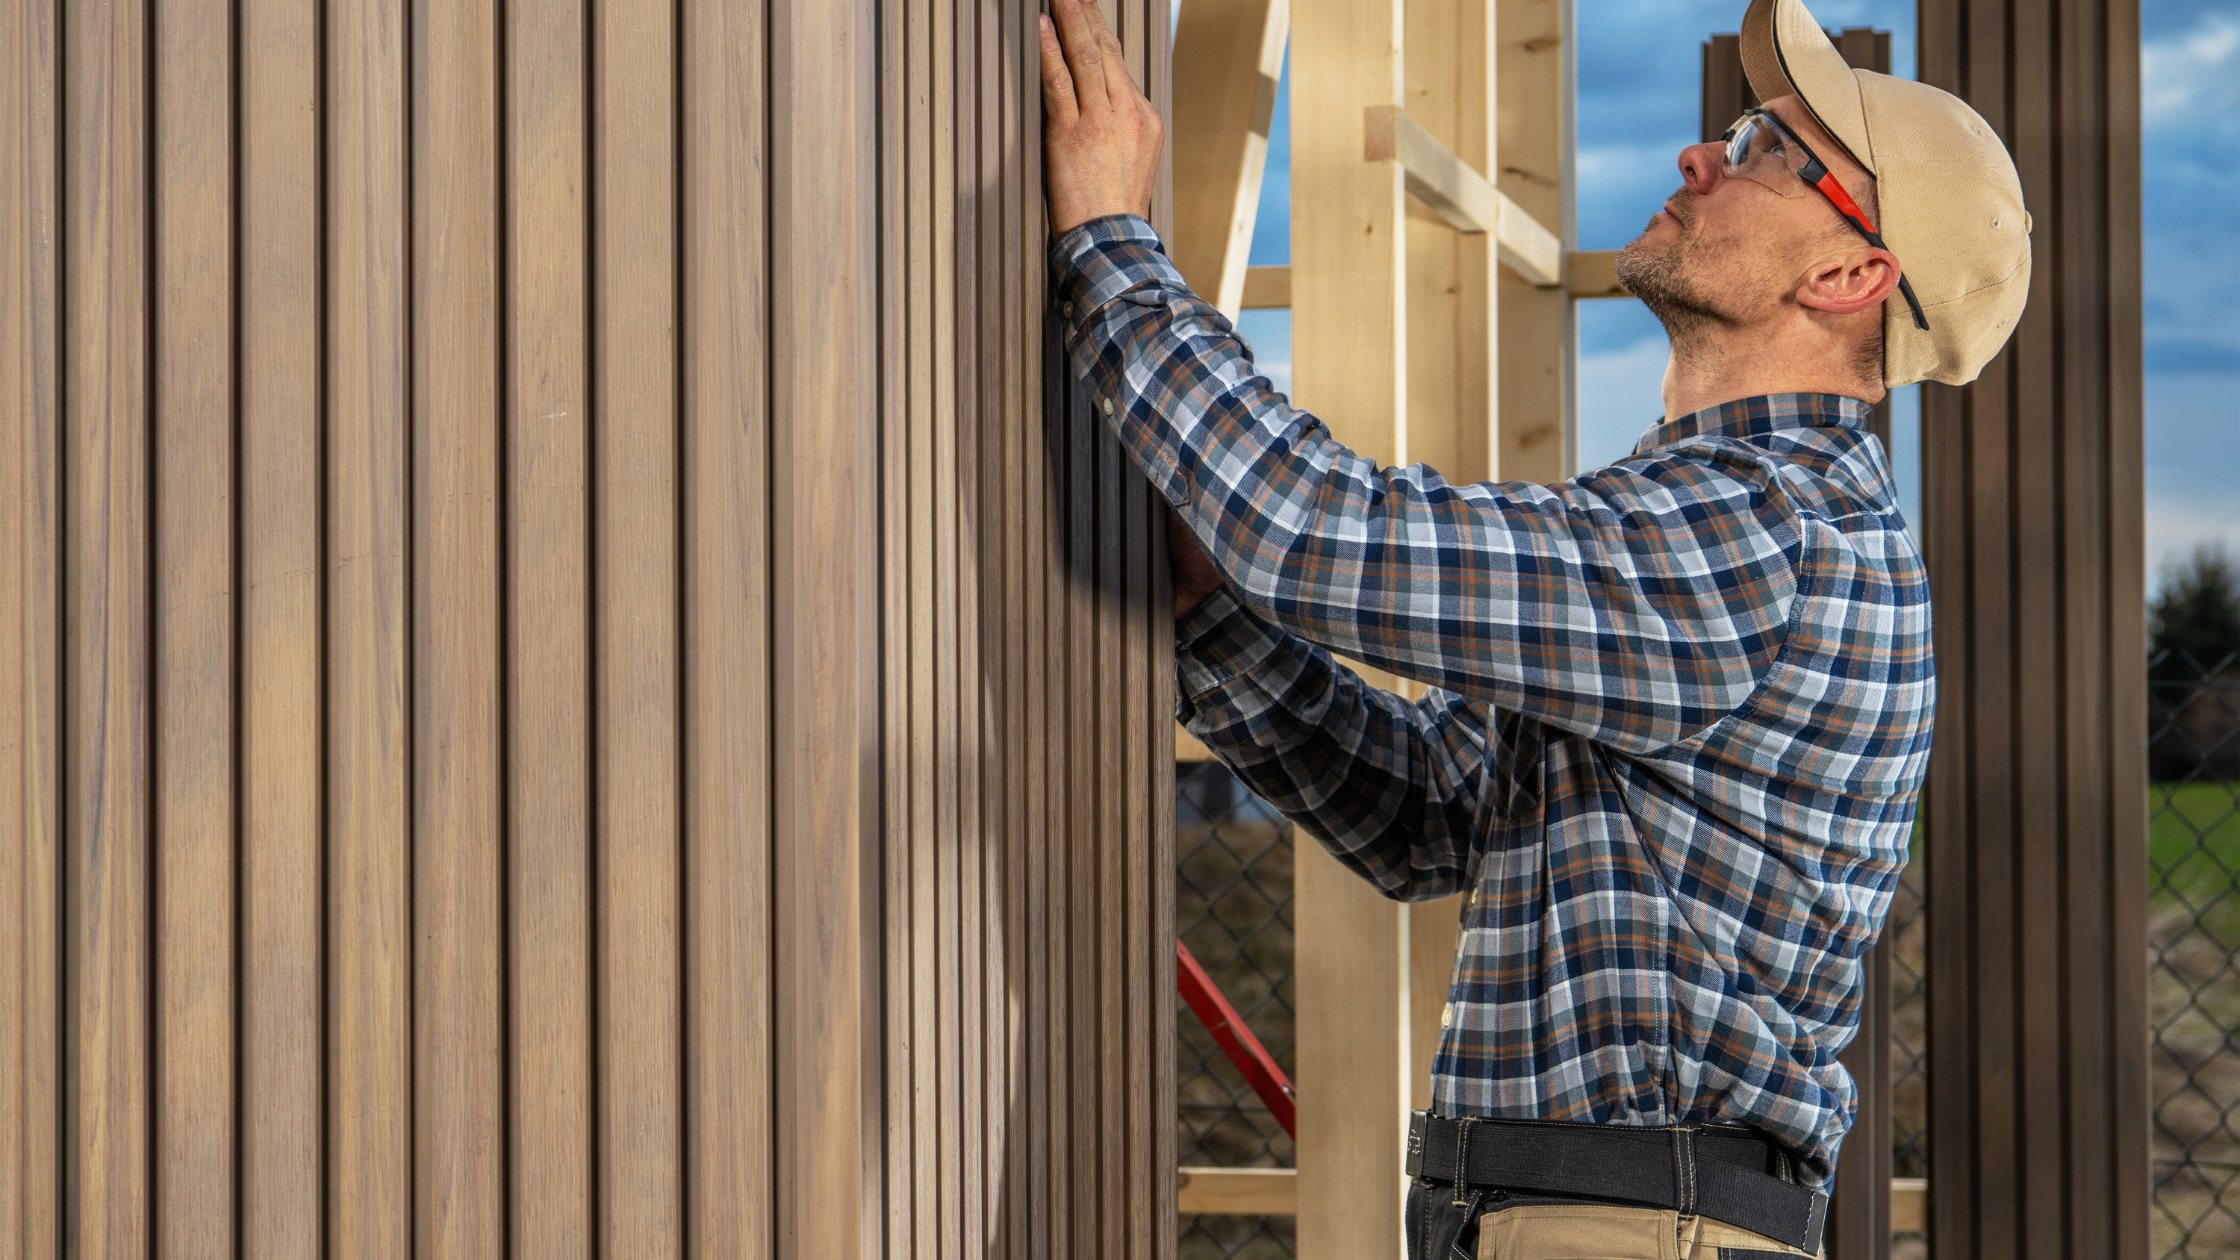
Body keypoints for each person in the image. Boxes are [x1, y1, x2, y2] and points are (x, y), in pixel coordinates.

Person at [1037, 0, 2028, 1254]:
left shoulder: (1760, 534)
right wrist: (1217, 622)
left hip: (1616, 1225)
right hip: (1583, 1216)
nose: (1697, 155)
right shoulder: (1706, 517)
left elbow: (1320, 532)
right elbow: (1439, 813)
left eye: (1766, 152)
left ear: (1846, 275)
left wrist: (1112, 241)